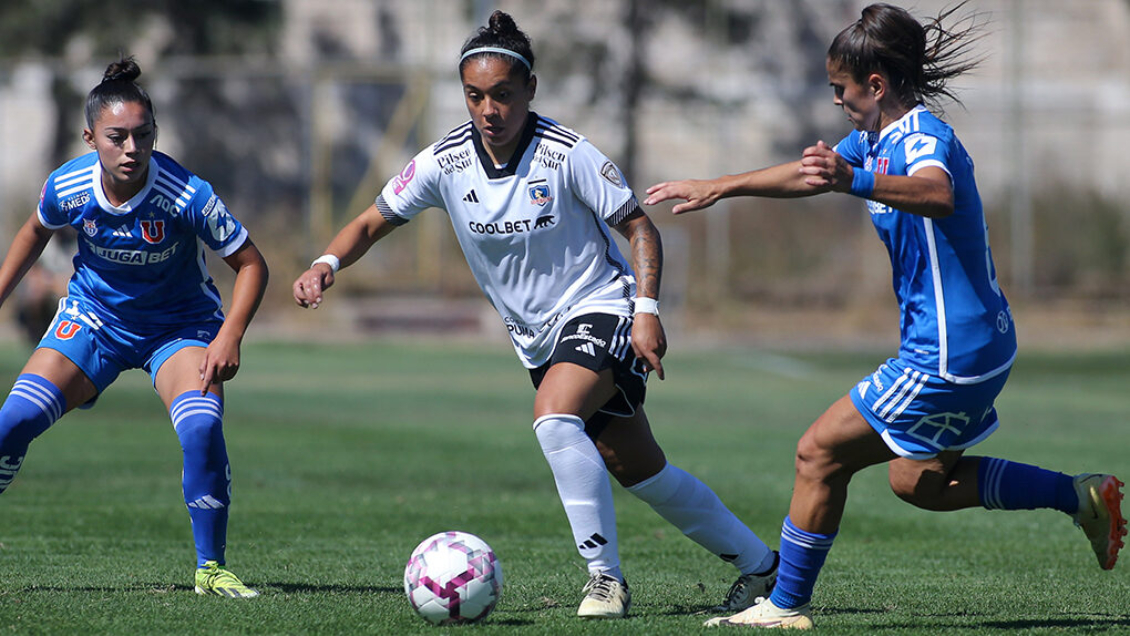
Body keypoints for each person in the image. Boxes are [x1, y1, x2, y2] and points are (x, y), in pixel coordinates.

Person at [646, 3, 1126, 629]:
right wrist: (721, 185)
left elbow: (936, 191)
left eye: (840, 90)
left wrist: (853, 180)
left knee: (817, 453)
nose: (837, 102)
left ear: (875, 85)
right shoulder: (873, 140)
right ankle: (1079, 496)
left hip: (945, 355)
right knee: (919, 483)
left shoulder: (923, 137)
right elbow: (810, 174)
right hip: (981, 347)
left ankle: (784, 607)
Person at [293, 10, 779, 620]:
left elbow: (638, 227)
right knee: (639, 470)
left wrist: (647, 309)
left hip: (601, 306)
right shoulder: (444, 163)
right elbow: (372, 220)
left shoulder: (567, 153)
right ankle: (763, 567)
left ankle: (606, 581)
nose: (489, 110)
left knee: (552, 418)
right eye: (475, 96)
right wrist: (326, 263)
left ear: (529, 91)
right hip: (537, 340)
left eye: (502, 95)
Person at [0, 57, 268, 598]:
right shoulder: (68, 185)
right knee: (11, 424)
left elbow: (252, 264)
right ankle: (85, 379)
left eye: (142, 136)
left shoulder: (186, 193)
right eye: (116, 137)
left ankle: (210, 568)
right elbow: (35, 229)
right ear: (89, 136)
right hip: (94, 321)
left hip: (181, 329)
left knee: (200, 427)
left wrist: (229, 335)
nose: (131, 148)